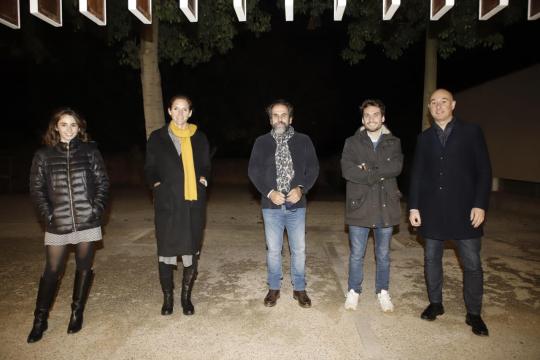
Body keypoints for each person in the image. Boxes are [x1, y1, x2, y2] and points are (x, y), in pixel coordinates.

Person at [409, 88, 492, 336]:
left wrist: (480, 204)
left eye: (443, 101)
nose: (438, 106)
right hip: (432, 210)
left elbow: (484, 171)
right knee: (431, 259)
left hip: (465, 211)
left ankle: (474, 313)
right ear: (429, 108)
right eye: (433, 102)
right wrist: (413, 206)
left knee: (472, 263)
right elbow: (418, 174)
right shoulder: (424, 138)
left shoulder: (471, 131)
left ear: (453, 104)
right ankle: (435, 304)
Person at [27, 108, 109, 343]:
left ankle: (77, 312)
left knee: (84, 267)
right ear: (56, 127)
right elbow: (36, 190)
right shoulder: (43, 155)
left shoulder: (90, 151)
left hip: (87, 219)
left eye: (73, 125)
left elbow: (103, 183)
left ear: (79, 128)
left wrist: (96, 209)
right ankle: (40, 320)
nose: (69, 129)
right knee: (52, 271)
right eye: (64, 124)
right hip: (57, 222)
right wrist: (48, 215)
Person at [248, 99, 319, 308]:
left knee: (299, 250)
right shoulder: (261, 142)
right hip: (271, 207)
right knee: (273, 250)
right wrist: (270, 193)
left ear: (290, 118)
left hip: (297, 205)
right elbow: (254, 171)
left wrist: (301, 188)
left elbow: (313, 168)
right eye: (275, 115)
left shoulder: (304, 140)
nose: (280, 119)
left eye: (283, 115)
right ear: (270, 120)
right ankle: (273, 289)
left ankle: (299, 288)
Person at [145, 95, 210, 316]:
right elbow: (150, 167)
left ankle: (186, 298)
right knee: (166, 252)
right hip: (168, 203)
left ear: (190, 113)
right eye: (176, 109)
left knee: (191, 250)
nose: (180, 113)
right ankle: (168, 298)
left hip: (192, 203)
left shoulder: (199, 138)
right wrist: (157, 185)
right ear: (169, 111)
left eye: (185, 110)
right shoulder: (157, 137)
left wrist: (202, 180)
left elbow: (205, 165)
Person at [341, 99, 403, 312]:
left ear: (383, 118)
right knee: (357, 253)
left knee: (383, 254)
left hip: (386, 205)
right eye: (367, 115)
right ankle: (354, 291)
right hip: (359, 205)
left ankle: (382, 291)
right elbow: (347, 170)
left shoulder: (393, 142)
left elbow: (395, 167)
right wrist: (376, 172)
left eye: (376, 115)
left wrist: (367, 169)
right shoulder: (352, 142)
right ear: (362, 119)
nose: (371, 119)